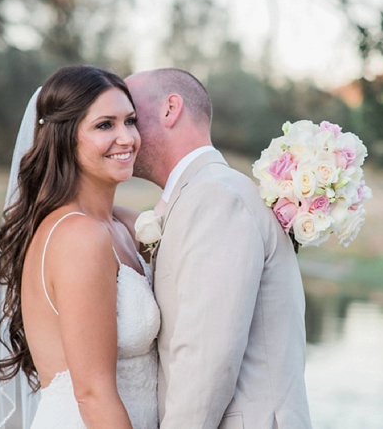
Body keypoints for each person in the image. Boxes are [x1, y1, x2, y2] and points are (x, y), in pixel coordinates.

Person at [126, 68, 312, 429]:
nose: (124, 133)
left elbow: (207, 361)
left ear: (170, 109)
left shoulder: (215, 196)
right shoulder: (199, 193)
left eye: (131, 117)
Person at [0, 65, 160, 429]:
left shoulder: (124, 225)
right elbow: (93, 394)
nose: (127, 138)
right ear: (65, 136)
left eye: (130, 121)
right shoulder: (79, 236)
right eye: (104, 125)